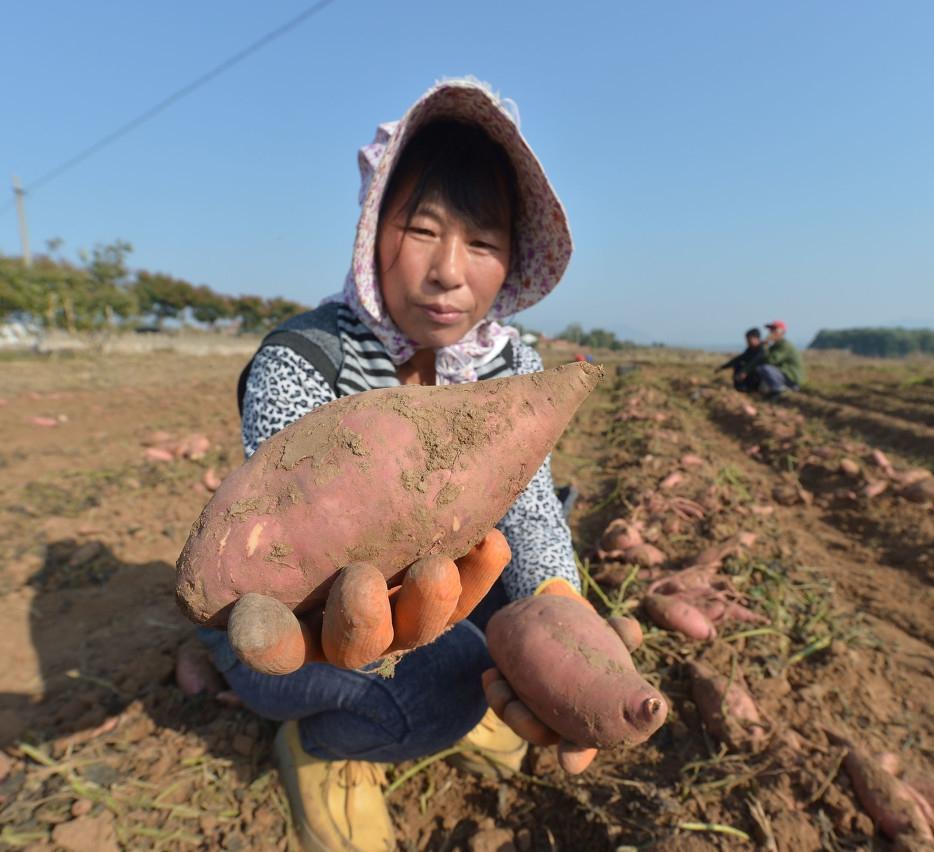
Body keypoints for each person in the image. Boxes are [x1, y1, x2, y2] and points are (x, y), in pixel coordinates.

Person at [200, 79, 626, 851]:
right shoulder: (303, 359)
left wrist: (560, 608)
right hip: (295, 626)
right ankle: (324, 748)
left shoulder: (506, 364)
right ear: (373, 228)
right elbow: (292, 561)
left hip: (427, 603)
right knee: (445, 693)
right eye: (424, 230)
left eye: (484, 243)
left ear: (515, 261)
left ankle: (444, 692)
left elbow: (528, 510)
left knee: (512, 597)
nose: (449, 272)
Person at [753, 320, 804, 396]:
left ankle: (778, 389)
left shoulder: (784, 345)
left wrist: (765, 345)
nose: (771, 333)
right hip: (784, 373)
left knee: (764, 368)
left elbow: (770, 360)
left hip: (791, 377)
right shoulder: (776, 345)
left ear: (782, 332)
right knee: (760, 370)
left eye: (774, 330)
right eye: (770, 330)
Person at [717, 327, 765, 392]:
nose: (747, 342)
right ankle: (741, 388)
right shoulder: (750, 349)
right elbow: (739, 359)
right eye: (747, 340)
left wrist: (744, 371)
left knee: (755, 369)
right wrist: (723, 367)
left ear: (756, 338)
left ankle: (753, 389)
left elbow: (754, 361)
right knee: (738, 364)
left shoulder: (762, 349)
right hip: (749, 375)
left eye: (749, 340)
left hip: (760, 377)